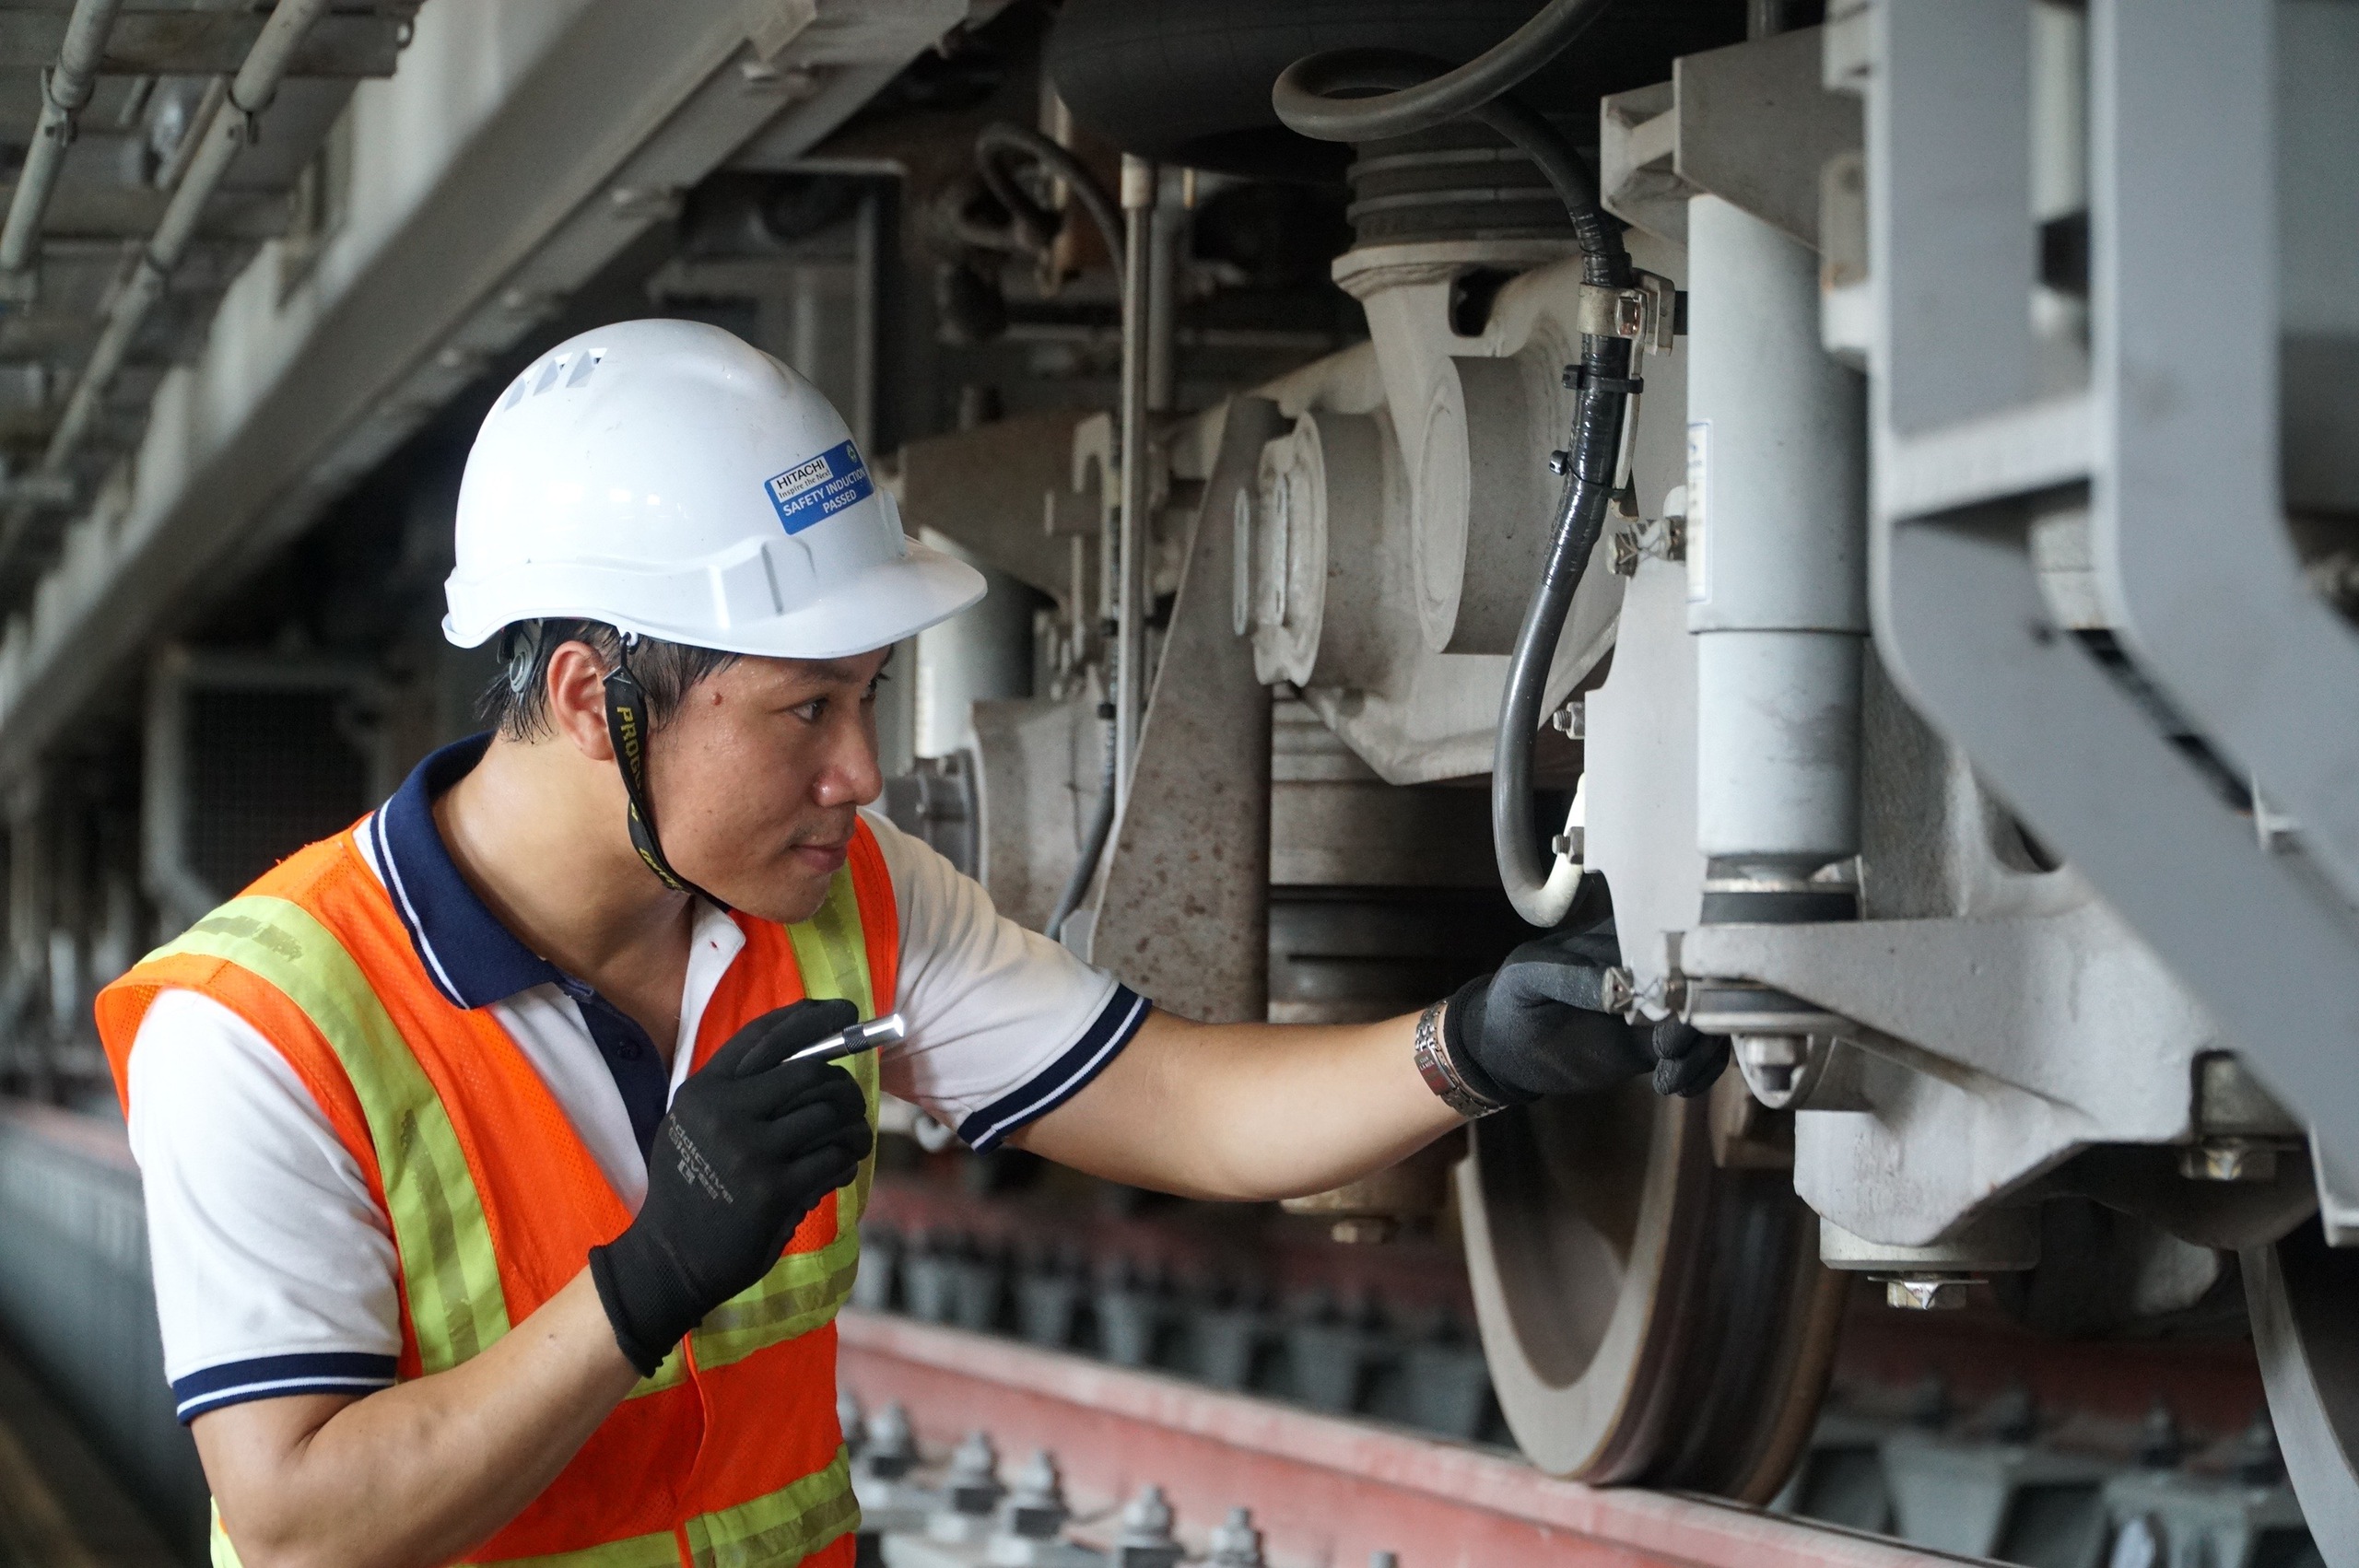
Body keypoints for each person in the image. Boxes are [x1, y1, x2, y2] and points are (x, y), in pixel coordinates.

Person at [94, 319, 1724, 1568]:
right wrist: (650, 1277)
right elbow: (302, 1517)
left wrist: (1473, 1047)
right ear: (597, 699)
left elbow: (1187, 1108)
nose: (861, 772)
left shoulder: (845, 896)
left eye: (865, 700)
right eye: (807, 707)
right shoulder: (262, 1026)